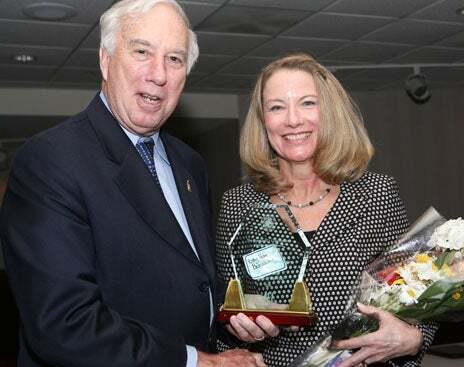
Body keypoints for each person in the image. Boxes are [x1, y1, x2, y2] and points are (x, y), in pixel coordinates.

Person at [0, 0, 265, 366]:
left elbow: (190, 277)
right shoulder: (50, 160)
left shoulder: (190, 164)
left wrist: (237, 315)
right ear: (105, 60)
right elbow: (64, 324)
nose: (159, 74)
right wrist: (197, 362)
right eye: (142, 51)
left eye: (174, 59)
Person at [215, 53, 437, 366]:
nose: (293, 119)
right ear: (264, 121)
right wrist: (238, 330)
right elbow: (226, 316)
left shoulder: (376, 194)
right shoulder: (238, 205)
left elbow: (420, 297)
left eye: (307, 103)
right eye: (277, 107)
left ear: (329, 112)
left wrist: (414, 339)